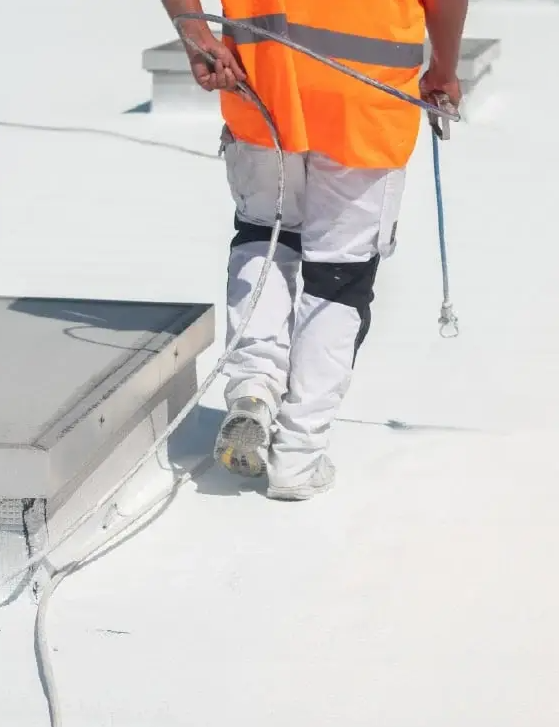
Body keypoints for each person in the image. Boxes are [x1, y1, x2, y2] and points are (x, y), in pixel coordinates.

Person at [161, 0, 467, 500]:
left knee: (264, 237)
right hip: (366, 95)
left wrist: (196, 33)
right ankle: (298, 456)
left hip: (259, 79)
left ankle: (254, 387)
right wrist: (444, 71)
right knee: (338, 279)